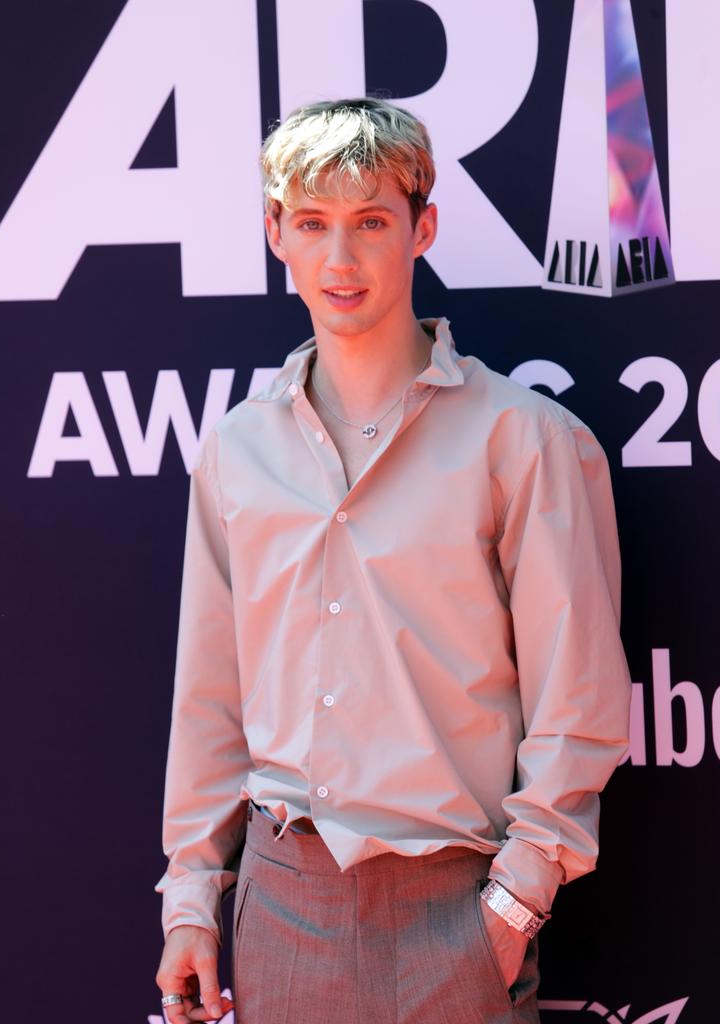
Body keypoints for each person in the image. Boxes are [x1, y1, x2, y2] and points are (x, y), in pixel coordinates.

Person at [154, 97, 632, 1024]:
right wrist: (190, 904)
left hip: (458, 905)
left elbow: (578, 701)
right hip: (282, 903)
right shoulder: (236, 452)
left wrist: (508, 909)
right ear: (275, 235)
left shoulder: (524, 439)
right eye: (313, 224)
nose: (341, 258)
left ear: (424, 228)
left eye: (372, 221)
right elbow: (209, 699)